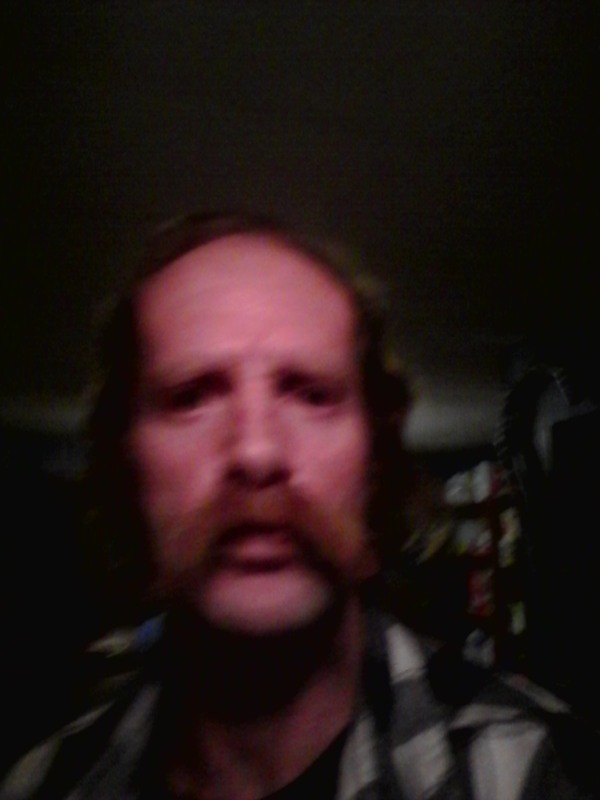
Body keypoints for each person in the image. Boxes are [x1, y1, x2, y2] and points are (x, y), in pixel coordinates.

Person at [2, 212, 597, 799]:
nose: (256, 451)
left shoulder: (542, 771)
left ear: (374, 461)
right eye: (190, 396)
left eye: (312, 394)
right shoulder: (43, 784)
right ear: (127, 463)